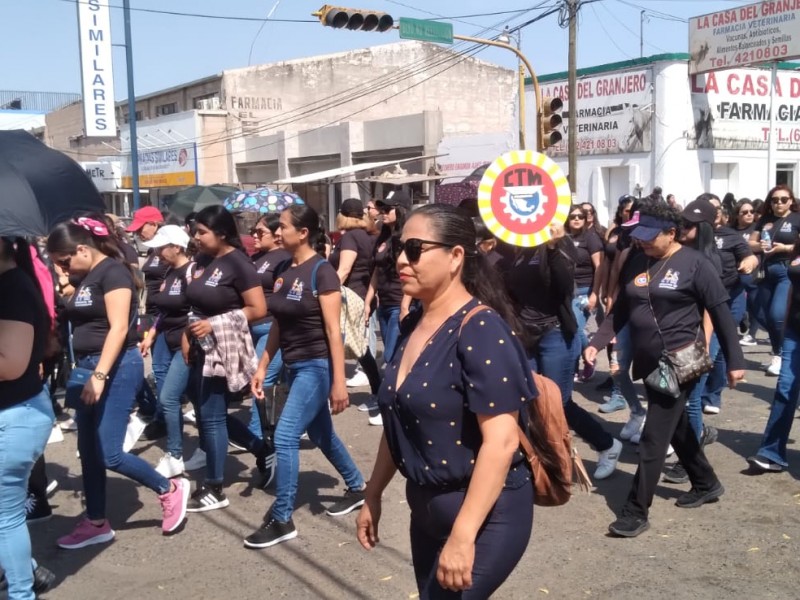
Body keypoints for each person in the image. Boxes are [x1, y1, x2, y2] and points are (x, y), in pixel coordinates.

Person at [355, 204, 539, 598]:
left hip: (487, 516)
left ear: (456, 256)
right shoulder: (412, 325)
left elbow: (502, 441)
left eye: (416, 249)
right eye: (400, 248)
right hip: (424, 509)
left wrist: (463, 535)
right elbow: (399, 421)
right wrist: (372, 493)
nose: (402, 259)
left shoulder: (481, 328)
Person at [585, 201, 745, 538]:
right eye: (638, 235)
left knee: (653, 437)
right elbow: (621, 311)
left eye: (648, 236)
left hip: (681, 360)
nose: (641, 241)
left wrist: (735, 361)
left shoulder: (696, 264)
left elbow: (721, 313)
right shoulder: (640, 261)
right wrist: (596, 343)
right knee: (677, 425)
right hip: (649, 363)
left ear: (671, 233)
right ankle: (705, 482)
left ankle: (635, 511)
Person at [47, 218, 190, 548]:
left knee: (110, 452)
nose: (63, 268)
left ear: (82, 249)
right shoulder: (85, 276)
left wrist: (99, 376)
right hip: (86, 367)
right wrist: (63, 282)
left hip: (115, 367)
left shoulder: (114, 273)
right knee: (87, 451)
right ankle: (96, 521)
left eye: (65, 261)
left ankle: (169, 488)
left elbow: (118, 329)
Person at [244, 204, 366, 549]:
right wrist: (263, 365)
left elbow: (332, 330)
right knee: (321, 433)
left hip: (316, 367)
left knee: (284, 438)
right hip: (292, 366)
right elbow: (279, 322)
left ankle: (282, 518)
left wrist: (339, 382)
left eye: (282, 227)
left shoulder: (322, 272)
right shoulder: (284, 268)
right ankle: (357, 486)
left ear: (303, 233)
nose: (276, 232)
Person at [505, 221, 621, 481]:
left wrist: (554, 247)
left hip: (555, 333)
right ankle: (544, 460)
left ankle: (607, 445)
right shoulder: (519, 247)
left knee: (559, 403)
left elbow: (564, 285)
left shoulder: (560, 243)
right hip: (527, 336)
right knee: (529, 400)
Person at [182, 206, 268, 511]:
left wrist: (217, 322)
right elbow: (194, 302)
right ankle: (261, 448)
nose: (196, 237)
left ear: (221, 233)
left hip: (222, 348)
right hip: (198, 346)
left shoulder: (238, 263)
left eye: (202, 231)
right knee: (206, 413)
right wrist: (187, 333)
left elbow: (258, 309)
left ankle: (215, 487)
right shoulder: (204, 260)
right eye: (195, 230)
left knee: (212, 416)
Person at [0, 236, 56, 599]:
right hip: (15, 412)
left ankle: (21, 592)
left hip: (16, 416)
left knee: (5, 517)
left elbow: (11, 364)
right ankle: (29, 571)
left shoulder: (13, 288)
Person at [137, 225, 194, 478]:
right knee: (168, 393)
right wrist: (151, 335)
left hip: (185, 341)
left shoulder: (193, 272)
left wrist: (188, 338)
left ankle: (175, 453)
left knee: (169, 398)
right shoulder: (169, 272)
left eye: (161, 247)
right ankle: (180, 449)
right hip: (163, 340)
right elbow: (163, 311)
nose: (157, 253)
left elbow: (199, 309)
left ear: (177, 247)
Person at [246, 212, 291, 486]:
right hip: (253, 329)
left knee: (263, 380)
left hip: (273, 329)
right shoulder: (255, 259)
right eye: (253, 231)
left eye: (259, 232)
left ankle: (258, 438)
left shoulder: (282, 260)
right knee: (275, 383)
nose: (254, 236)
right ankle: (282, 428)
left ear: (276, 234)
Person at [748, 238, 800, 472]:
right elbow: (793, 287)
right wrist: (787, 321)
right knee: (785, 388)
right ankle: (772, 453)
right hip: (794, 331)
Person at [328, 199, 383, 415]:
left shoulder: (351, 237)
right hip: (363, 295)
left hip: (349, 295)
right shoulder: (371, 236)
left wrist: (323, 292)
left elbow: (343, 270)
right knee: (359, 346)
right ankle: (377, 390)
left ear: (343, 215)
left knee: (345, 344)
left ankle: (333, 390)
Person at [125, 206, 167, 441]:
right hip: (150, 314)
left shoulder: (167, 252)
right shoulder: (153, 251)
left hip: (162, 317)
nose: (139, 233)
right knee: (158, 369)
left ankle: (162, 419)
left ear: (154, 224)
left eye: (142, 227)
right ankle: (160, 414)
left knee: (160, 370)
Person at [749, 185, 800, 376]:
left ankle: (781, 354)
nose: (779, 203)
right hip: (765, 271)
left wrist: (784, 248)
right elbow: (750, 243)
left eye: (783, 199)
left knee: (777, 315)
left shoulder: (796, 219)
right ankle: (778, 351)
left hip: (787, 270)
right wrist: (760, 245)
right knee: (763, 314)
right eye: (774, 200)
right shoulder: (765, 220)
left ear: (791, 201)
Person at [566, 204, 604, 381]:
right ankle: (572, 368)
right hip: (566, 291)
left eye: (580, 216)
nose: (576, 219)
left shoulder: (591, 239)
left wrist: (595, 294)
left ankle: (589, 358)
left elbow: (600, 267)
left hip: (583, 290)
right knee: (569, 329)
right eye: (572, 216)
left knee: (576, 329)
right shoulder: (563, 238)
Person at [732, 199, 760, 346]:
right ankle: (743, 321)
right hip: (735, 276)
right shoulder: (731, 230)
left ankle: (752, 334)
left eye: (751, 212)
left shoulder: (757, 229)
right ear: (737, 215)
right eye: (745, 212)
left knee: (755, 307)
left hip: (755, 276)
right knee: (740, 307)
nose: (749, 214)